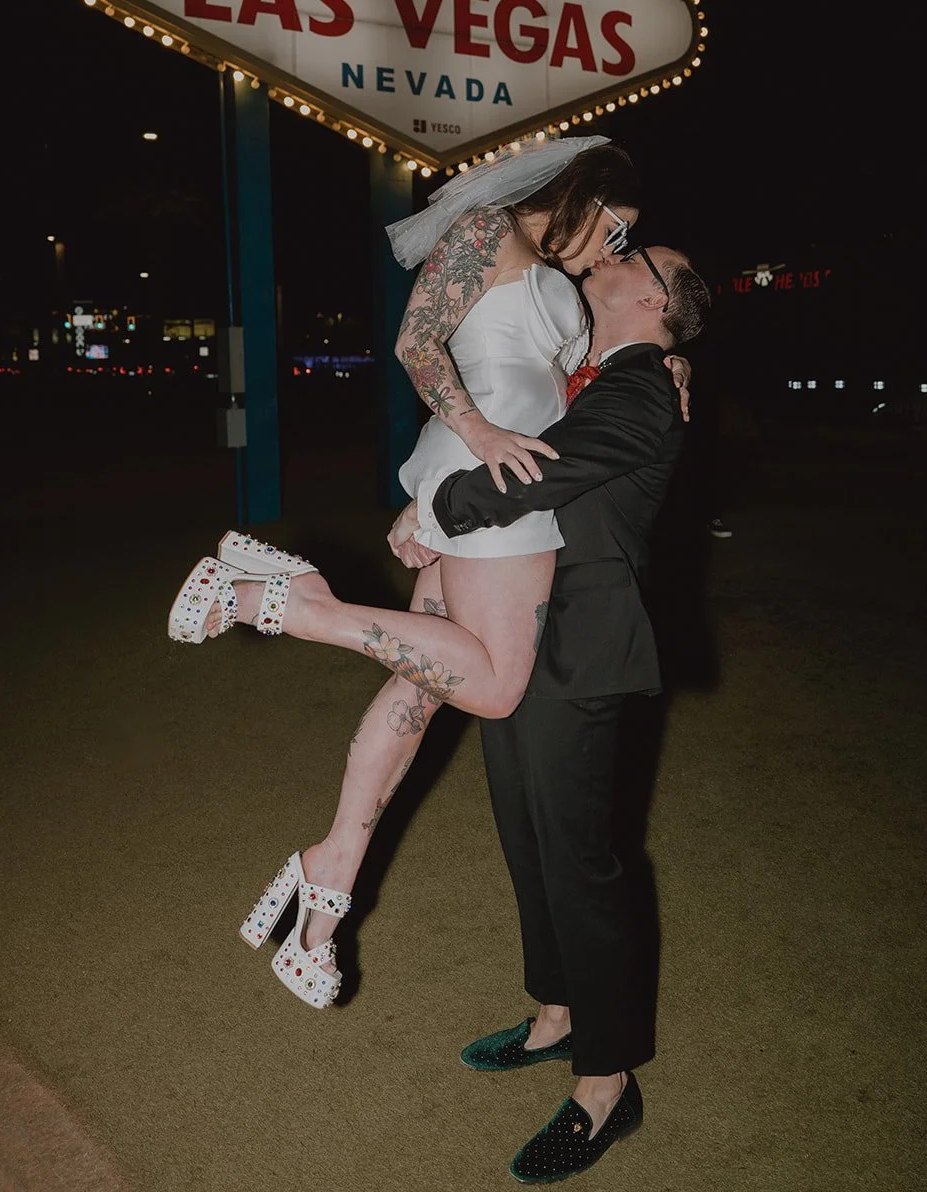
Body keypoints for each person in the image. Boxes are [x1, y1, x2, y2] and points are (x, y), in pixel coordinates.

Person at [168, 137, 688, 1009]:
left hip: (499, 477)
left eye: (624, 245)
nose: (613, 251)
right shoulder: (486, 231)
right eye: (614, 231)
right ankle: (289, 600)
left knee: (420, 690)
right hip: (496, 472)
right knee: (490, 688)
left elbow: (566, 380)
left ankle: (329, 876)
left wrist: (667, 360)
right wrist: (478, 441)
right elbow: (417, 343)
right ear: (581, 196)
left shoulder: (560, 283)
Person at [388, 243, 711, 1183]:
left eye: (629, 255)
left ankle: (606, 1083)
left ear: (650, 296)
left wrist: (428, 504)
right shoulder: (596, 370)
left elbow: (532, 476)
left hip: (580, 645)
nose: (604, 254)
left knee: (581, 860)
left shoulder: (645, 385)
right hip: (519, 625)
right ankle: (556, 1014)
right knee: (526, 836)